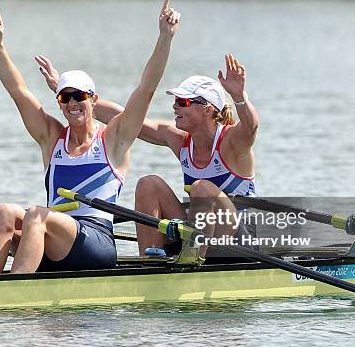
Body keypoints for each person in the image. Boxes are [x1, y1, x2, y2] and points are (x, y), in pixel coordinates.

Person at [0, 0, 180, 274]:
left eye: (79, 96)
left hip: (95, 243)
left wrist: (165, 38)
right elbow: (18, 92)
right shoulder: (52, 138)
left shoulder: (114, 139)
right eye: (65, 98)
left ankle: (17, 294)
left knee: (36, 215)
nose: (72, 103)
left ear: (93, 100)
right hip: (51, 239)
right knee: (5, 213)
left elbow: (146, 89)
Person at [36, 54, 258, 256]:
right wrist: (70, 95)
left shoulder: (232, 142)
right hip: (204, 232)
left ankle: (192, 258)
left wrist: (240, 98)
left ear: (208, 109)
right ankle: (150, 260)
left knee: (201, 187)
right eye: (175, 101)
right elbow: (129, 118)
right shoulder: (179, 139)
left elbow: (251, 127)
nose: (174, 107)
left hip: (241, 237)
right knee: (148, 183)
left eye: (183, 102)